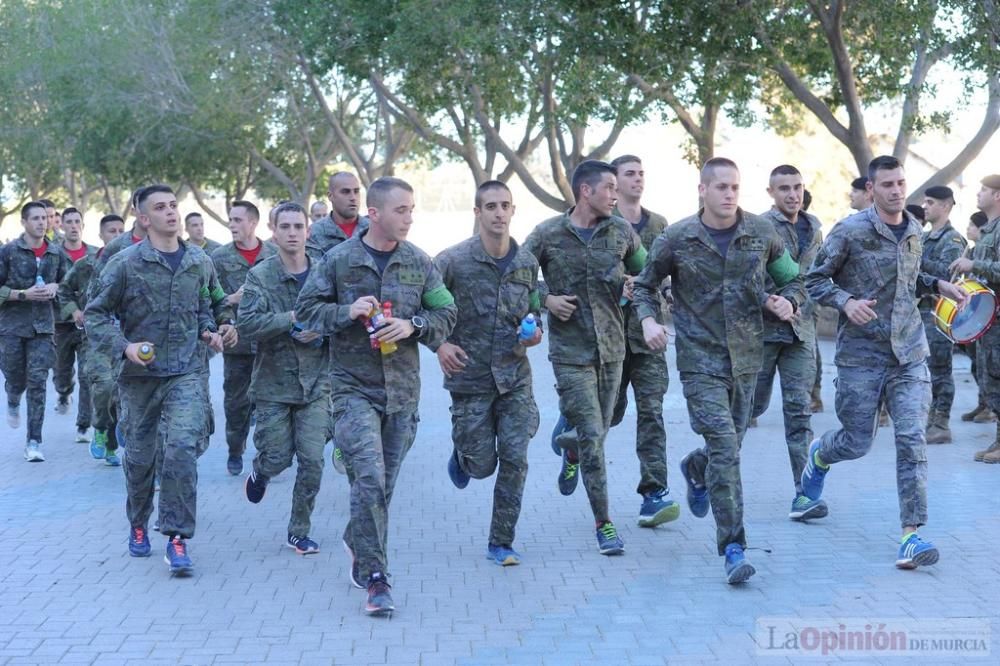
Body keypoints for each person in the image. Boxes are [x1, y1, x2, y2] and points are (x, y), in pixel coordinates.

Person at [633, 157, 805, 584]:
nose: (729, 194)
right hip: (700, 362)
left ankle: (697, 467)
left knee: (728, 449)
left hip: (750, 359)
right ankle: (733, 546)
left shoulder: (762, 234)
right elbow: (642, 286)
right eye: (722, 187)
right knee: (727, 450)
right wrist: (649, 320)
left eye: (735, 187)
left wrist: (790, 302)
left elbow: (794, 279)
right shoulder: (677, 238)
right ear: (703, 190)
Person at [296, 176, 456, 616]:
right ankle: (376, 577)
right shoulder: (338, 261)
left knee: (382, 487)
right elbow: (306, 311)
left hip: (402, 394)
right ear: (375, 214)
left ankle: (356, 538)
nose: (408, 217)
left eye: (411, 209)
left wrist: (414, 326)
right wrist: (345, 312)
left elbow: (446, 311)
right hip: (352, 390)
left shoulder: (419, 263)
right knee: (368, 477)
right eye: (400, 210)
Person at [801, 156, 968, 570]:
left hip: (910, 354)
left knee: (912, 439)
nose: (896, 190)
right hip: (862, 354)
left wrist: (937, 284)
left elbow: (909, 279)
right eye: (887, 184)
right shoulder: (849, 230)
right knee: (858, 441)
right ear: (871, 189)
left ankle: (911, 534)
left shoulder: (913, 228)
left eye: (901, 182)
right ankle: (820, 455)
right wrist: (847, 301)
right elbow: (815, 279)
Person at [86, 184, 236, 576]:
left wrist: (220, 328)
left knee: (182, 449)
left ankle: (176, 537)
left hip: (186, 373)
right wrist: (124, 347)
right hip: (139, 379)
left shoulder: (200, 261)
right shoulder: (124, 263)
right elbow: (96, 315)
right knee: (138, 461)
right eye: (160, 208)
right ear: (144, 218)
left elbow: (215, 303)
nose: (171, 212)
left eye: (173, 205)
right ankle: (138, 523)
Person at [524, 159, 647, 556]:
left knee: (606, 422)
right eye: (609, 187)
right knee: (595, 436)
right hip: (571, 353)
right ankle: (604, 523)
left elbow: (647, 274)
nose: (616, 194)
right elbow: (515, 277)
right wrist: (546, 300)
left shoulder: (622, 232)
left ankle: (572, 448)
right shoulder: (547, 234)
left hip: (613, 348)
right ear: (586, 191)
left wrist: (634, 285)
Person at [435, 181, 542, 566]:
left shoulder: (527, 262)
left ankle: (501, 541)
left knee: (515, 458)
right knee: (482, 465)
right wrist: (440, 344)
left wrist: (535, 331)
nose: (499, 213)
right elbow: (426, 309)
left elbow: (532, 308)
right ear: (477, 213)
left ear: (513, 211)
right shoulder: (452, 261)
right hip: (470, 378)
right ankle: (463, 456)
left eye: (505, 206)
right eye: (491, 206)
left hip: (515, 377)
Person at [239, 203, 330, 554]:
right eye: (285, 227)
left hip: (317, 384)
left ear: (308, 231)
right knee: (277, 457)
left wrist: (320, 331)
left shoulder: (325, 273)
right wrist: (290, 320)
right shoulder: (260, 276)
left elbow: (342, 319)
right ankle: (261, 472)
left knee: (312, 459)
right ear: (273, 232)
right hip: (274, 384)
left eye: (299, 226)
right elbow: (247, 325)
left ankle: (298, 529)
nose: (292, 233)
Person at [604, 154, 679, 527]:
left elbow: (667, 274)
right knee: (610, 415)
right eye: (629, 174)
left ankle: (654, 493)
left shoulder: (659, 224)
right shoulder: (604, 223)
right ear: (613, 183)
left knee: (651, 413)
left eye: (640, 173)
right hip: (610, 339)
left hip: (649, 338)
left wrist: (668, 293)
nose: (637, 179)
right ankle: (574, 444)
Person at [750, 165, 828, 521]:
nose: (792, 194)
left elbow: (821, 276)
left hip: (801, 334)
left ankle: (804, 493)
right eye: (784, 188)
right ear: (771, 192)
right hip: (762, 333)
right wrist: (771, 299)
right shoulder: (757, 227)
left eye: (797, 187)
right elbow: (743, 277)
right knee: (749, 408)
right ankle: (705, 463)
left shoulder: (814, 228)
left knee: (799, 413)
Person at [0, 201, 72, 461]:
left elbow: (69, 284)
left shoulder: (56, 254)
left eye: (45, 218)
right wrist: (22, 294)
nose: (42, 222)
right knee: (15, 376)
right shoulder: (8, 252)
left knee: (38, 382)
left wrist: (56, 287)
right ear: (24, 222)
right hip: (11, 328)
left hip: (43, 328)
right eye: (36, 219)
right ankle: (12, 396)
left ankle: (34, 441)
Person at [211, 201, 276, 476]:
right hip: (237, 344)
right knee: (237, 403)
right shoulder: (219, 258)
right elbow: (211, 299)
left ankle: (266, 457)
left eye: (238, 220)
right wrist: (231, 300)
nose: (232, 225)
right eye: (230, 220)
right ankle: (235, 449)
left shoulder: (274, 254)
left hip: (271, 343)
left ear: (252, 223)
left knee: (271, 403)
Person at [58, 213, 125, 464]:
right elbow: (64, 290)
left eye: (121, 231)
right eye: (111, 231)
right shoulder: (87, 265)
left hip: (125, 339)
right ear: (101, 235)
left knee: (121, 392)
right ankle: (98, 428)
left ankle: (111, 445)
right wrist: (74, 311)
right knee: (104, 386)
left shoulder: (132, 263)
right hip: (95, 339)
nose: (116, 236)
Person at [950, 175, 1000, 462]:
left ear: (997, 196)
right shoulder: (989, 230)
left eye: (984, 190)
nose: (978, 193)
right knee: (989, 379)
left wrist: (974, 263)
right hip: (989, 319)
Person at [917, 186, 966, 444]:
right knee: (923, 370)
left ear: (946, 206)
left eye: (930, 202)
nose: (925, 206)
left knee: (940, 369)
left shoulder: (954, 240)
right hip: (920, 311)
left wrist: (916, 259)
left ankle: (941, 423)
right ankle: (929, 418)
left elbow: (949, 274)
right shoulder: (923, 238)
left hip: (939, 312)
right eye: (925, 202)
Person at [52, 207, 98, 441]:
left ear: (82, 225)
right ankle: (63, 391)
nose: (72, 225)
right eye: (68, 222)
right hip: (60, 323)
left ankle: (83, 424)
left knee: (87, 373)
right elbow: (53, 286)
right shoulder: (54, 255)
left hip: (88, 324)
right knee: (61, 371)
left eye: (76, 221)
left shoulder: (95, 254)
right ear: (61, 226)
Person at [960, 211, 995, 425]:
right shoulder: (971, 252)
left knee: (992, 368)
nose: (968, 229)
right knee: (978, 365)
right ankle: (984, 403)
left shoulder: (983, 253)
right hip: (976, 317)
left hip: (991, 314)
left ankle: (991, 409)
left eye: (973, 225)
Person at [306, 171, 370, 258]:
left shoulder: (372, 229)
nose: (353, 198)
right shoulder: (314, 233)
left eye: (356, 191)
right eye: (345, 192)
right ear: (330, 196)